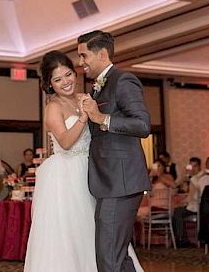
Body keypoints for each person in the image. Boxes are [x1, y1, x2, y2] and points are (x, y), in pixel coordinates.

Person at [24, 50, 143, 272]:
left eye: (68, 74)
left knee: (102, 230)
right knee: (73, 233)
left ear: (74, 72)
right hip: (67, 176)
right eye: (58, 79)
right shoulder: (53, 108)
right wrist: (83, 118)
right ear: (50, 84)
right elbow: (66, 142)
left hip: (94, 170)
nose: (66, 82)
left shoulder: (87, 98)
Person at [78, 30, 151, 272]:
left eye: (83, 56)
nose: (81, 63)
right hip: (110, 182)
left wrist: (101, 117)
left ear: (101, 53)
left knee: (108, 259)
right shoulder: (98, 88)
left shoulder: (123, 80)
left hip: (121, 183)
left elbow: (142, 125)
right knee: (117, 258)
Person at [173, 156, 209, 246]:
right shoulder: (195, 177)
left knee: (177, 212)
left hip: (197, 207)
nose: (193, 169)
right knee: (177, 210)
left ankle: (181, 239)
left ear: (200, 166)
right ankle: (181, 238)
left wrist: (183, 202)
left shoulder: (200, 178)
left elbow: (196, 197)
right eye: (192, 166)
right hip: (197, 205)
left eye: (195, 166)